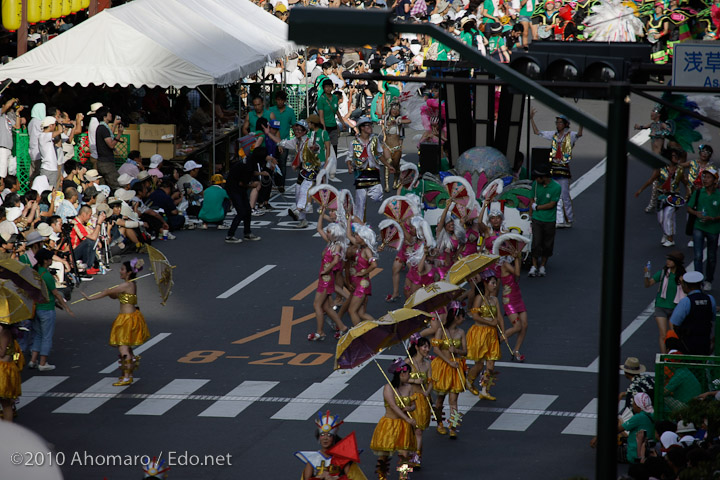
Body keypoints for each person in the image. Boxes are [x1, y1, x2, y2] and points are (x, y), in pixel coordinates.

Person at [81, 258, 150, 386]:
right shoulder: (130, 285)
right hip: (129, 317)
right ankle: (127, 374)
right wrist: (111, 293)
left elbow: (108, 292)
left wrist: (90, 298)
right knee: (127, 348)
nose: (120, 271)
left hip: (127, 319)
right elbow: (114, 295)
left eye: (122, 269)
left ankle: (127, 376)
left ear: (129, 272)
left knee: (123, 347)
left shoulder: (127, 285)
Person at [530, 109, 583, 228]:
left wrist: (581, 123)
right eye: (557, 122)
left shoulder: (571, 135)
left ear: (565, 124)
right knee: (556, 195)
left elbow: (579, 134)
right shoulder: (553, 135)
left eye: (560, 122)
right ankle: (559, 220)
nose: (558, 124)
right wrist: (531, 119)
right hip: (554, 168)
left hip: (563, 169)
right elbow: (537, 132)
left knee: (565, 196)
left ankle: (569, 218)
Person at [369, 358, 417, 480]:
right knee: (384, 454)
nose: (409, 376)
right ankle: (382, 474)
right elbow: (393, 406)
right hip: (389, 424)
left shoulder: (409, 387)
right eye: (408, 373)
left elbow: (413, 404)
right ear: (402, 374)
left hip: (403, 425)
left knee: (404, 453)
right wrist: (407, 418)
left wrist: (410, 408)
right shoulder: (388, 388)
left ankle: (404, 475)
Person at [27, 249, 74, 371]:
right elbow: (56, 294)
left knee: (38, 335)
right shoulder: (47, 275)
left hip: (36, 308)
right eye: (50, 259)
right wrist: (67, 308)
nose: (51, 261)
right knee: (47, 336)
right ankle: (43, 363)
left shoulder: (34, 272)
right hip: (47, 309)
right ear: (45, 260)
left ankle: (33, 360)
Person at [308, 209, 348, 341]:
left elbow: (336, 260)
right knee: (326, 306)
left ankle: (320, 332)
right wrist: (321, 213)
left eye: (329, 232)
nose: (326, 232)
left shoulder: (337, 246)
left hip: (326, 279)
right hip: (324, 278)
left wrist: (326, 270)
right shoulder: (330, 243)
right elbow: (319, 228)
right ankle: (342, 327)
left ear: (335, 234)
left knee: (317, 305)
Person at [346, 117, 394, 221]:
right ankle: (359, 227)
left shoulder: (375, 140)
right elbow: (349, 156)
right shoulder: (353, 143)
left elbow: (379, 155)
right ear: (362, 128)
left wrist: (388, 165)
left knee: (377, 196)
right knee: (360, 203)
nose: (370, 128)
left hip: (373, 173)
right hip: (360, 173)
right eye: (368, 126)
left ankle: (368, 192)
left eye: (370, 125)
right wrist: (349, 166)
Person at [431, 303, 467, 439]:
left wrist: (456, 351)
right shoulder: (441, 331)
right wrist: (448, 362)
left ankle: (453, 425)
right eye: (462, 316)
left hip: (455, 367)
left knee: (453, 400)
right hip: (442, 367)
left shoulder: (461, 332)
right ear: (456, 317)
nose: (463, 319)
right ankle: (439, 423)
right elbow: (436, 349)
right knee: (440, 399)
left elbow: (465, 351)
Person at [466, 270, 503, 400]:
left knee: (491, 365)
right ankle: (469, 380)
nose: (495, 285)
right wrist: (490, 322)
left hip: (492, 335)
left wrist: (502, 332)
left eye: (495, 283)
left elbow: (499, 317)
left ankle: (484, 390)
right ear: (486, 283)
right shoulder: (479, 298)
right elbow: (475, 316)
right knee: (479, 364)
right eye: (492, 283)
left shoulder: (495, 300)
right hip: (480, 334)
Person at [644, 251, 686, 353]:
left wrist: (683, 282)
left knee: (674, 334)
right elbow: (648, 284)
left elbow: (687, 291)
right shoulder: (663, 273)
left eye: (670, 260)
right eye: (667, 259)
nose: (667, 261)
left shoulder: (683, 276)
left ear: (676, 262)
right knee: (663, 334)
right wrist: (646, 275)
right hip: (661, 306)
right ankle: (664, 358)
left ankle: (673, 355)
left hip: (676, 308)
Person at [687, 167, 720, 291]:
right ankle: (698, 280)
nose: (705, 180)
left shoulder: (719, 195)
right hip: (699, 226)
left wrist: (712, 218)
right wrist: (696, 214)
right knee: (698, 255)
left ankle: (708, 279)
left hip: (713, 229)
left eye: (708, 177)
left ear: (715, 181)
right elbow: (689, 208)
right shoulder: (699, 192)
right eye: (704, 177)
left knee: (711, 257)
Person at [670, 271, 716, 355]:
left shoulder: (686, 301)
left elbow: (675, 323)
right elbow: (714, 318)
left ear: (686, 286)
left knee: (669, 337)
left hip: (687, 345)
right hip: (705, 343)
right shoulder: (710, 299)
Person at [284, 120, 318, 229]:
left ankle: (298, 210)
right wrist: (269, 134)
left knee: (304, 190)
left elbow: (316, 147)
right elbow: (283, 143)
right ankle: (303, 219)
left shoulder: (308, 142)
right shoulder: (297, 141)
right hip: (302, 171)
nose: (297, 131)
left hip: (311, 172)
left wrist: (315, 148)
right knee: (298, 193)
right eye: (295, 129)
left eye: (299, 130)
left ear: (305, 132)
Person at [528, 164, 561, 277]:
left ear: (544, 177)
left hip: (549, 220)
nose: (536, 179)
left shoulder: (556, 188)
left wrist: (537, 208)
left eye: (538, 177)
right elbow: (531, 200)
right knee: (536, 243)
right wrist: (530, 216)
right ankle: (534, 266)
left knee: (547, 244)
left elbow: (552, 204)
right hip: (537, 219)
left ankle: (542, 265)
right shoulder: (535, 185)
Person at [406, 333, 432, 468]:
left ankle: (416, 456)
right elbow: (401, 379)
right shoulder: (408, 362)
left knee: (418, 430)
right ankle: (409, 457)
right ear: (417, 348)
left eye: (428, 347)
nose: (427, 349)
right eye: (424, 347)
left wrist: (428, 391)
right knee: (409, 431)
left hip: (422, 400)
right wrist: (414, 380)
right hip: (409, 399)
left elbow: (431, 381)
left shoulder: (428, 364)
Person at [224, 151, 261, 243]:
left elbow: (251, 174)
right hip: (234, 189)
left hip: (239, 189)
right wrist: (252, 185)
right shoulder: (246, 167)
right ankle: (230, 235)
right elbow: (242, 183)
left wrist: (261, 173)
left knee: (247, 210)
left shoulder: (247, 163)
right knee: (241, 212)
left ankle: (247, 233)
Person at [346, 222, 378, 326]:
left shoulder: (367, 250)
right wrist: (348, 219)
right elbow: (348, 235)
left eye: (357, 235)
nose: (355, 236)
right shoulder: (360, 247)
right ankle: (379, 327)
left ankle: (358, 335)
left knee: (352, 310)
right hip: (359, 284)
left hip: (362, 285)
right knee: (361, 313)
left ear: (363, 238)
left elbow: (374, 264)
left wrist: (363, 272)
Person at [499, 252, 528, 361]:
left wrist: (518, 259)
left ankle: (516, 350)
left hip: (517, 297)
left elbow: (516, 278)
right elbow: (517, 274)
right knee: (517, 326)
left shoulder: (512, 262)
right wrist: (517, 259)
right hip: (509, 300)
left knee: (524, 325)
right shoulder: (505, 264)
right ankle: (497, 341)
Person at [268, 90, 296, 183]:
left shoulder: (290, 111)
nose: (280, 102)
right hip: (271, 141)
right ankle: (273, 182)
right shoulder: (271, 110)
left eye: (282, 100)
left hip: (284, 141)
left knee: (282, 163)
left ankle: (281, 184)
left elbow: (294, 125)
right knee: (271, 162)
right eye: (278, 100)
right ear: (276, 100)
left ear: (285, 101)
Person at [94, 106, 125, 191]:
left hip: (102, 162)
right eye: (109, 113)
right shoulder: (103, 128)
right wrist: (119, 134)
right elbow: (111, 144)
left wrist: (114, 124)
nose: (111, 114)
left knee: (104, 189)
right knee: (117, 186)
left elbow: (108, 136)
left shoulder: (102, 127)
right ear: (104, 116)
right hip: (106, 163)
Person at [70, 205, 106, 274]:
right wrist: (99, 223)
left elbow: (94, 234)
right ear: (84, 214)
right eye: (89, 215)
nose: (90, 218)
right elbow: (93, 237)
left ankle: (93, 265)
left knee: (91, 242)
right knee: (89, 242)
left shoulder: (82, 224)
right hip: (73, 252)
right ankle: (88, 267)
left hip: (77, 250)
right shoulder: (76, 224)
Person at [0, 321, 22, 421]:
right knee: (6, 403)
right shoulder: (6, 331)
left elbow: (2, 352)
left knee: (5, 403)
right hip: (5, 369)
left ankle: (8, 429)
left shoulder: (5, 332)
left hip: (3, 371)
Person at [0, 98, 22, 180]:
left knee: (9, 172)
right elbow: (7, 105)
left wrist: (17, 113)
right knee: (2, 173)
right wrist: (13, 100)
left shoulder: (7, 117)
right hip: (2, 148)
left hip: (8, 148)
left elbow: (17, 126)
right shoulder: (1, 114)